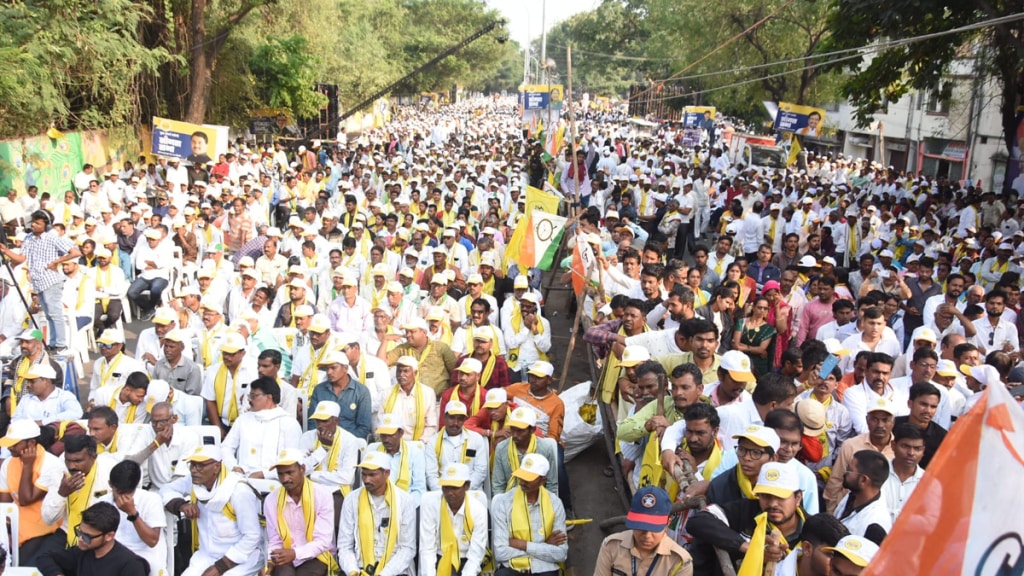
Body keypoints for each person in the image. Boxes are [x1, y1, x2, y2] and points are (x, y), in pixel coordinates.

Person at [159, 445, 264, 576]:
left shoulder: (239, 491)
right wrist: (182, 505)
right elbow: (165, 490)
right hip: (206, 555)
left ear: (216, 467)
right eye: (192, 465)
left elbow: (252, 537)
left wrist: (220, 567)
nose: (194, 470)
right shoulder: (194, 481)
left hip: (242, 558)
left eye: (200, 466)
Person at [687, 461, 806, 575]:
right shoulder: (745, 511)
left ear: (798, 498)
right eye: (765, 496)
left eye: (781, 497)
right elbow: (699, 520)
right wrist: (749, 547)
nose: (773, 504)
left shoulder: (812, 530)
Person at [0, 209, 82, 354]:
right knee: (49, 314)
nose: (34, 225)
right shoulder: (29, 238)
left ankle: (60, 344)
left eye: (38, 223)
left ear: (46, 226)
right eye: (33, 222)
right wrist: (6, 251)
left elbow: (75, 252)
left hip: (51, 280)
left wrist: (56, 261)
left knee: (54, 312)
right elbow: (21, 259)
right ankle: (52, 343)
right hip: (38, 282)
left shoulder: (52, 238)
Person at [337, 451, 417, 576]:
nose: (366, 480)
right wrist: (353, 571)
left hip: (394, 569)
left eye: (372, 475)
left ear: (387, 473)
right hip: (360, 567)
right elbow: (344, 546)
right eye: (364, 475)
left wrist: (384, 574)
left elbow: (407, 548)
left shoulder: (405, 500)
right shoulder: (351, 499)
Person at [0, 420, 66, 565]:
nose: (10, 447)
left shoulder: (51, 465)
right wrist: (7, 533)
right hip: (17, 531)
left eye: (15, 444)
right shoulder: (8, 463)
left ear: (31, 444)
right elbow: (4, 505)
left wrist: (28, 466)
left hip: (46, 531)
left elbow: (25, 499)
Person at [491, 453, 568, 574]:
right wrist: (544, 546)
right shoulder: (504, 502)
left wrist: (521, 544)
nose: (522, 481)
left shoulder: (555, 503)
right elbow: (500, 552)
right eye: (521, 476)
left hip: (544, 567)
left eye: (529, 478)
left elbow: (561, 553)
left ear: (543, 481)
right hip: (513, 567)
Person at [263, 449, 336, 576]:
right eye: (281, 474)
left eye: (290, 472)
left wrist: (295, 553)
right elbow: (274, 540)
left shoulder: (322, 495)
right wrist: (270, 562)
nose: (285, 479)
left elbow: (323, 541)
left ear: (302, 469)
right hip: (285, 555)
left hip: (317, 555)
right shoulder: (271, 500)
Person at [595, 486, 694, 576]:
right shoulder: (611, 546)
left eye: (654, 529)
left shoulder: (681, 562)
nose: (647, 535)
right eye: (641, 527)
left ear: (667, 523)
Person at [37, 501, 150, 576]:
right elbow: (45, 558)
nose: (80, 539)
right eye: (79, 532)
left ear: (109, 536)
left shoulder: (131, 565)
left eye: (87, 536)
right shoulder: (82, 551)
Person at [221, 376, 302, 479]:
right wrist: (234, 466)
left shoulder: (288, 423)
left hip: (275, 479)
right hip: (242, 477)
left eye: (254, 396)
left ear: (269, 397)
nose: (249, 399)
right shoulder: (243, 419)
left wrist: (264, 474)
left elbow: (293, 460)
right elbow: (226, 447)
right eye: (250, 395)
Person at [418, 463, 490, 576]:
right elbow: (427, 549)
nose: (449, 493)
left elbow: (476, 554)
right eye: (445, 487)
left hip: (467, 559)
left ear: (467, 486)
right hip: (441, 557)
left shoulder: (478, 510)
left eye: (455, 488)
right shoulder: (431, 506)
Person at [104, 460, 167, 576]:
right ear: (110, 484)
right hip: (112, 555)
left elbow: (152, 541)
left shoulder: (152, 499)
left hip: (145, 556)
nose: (124, 497)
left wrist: (132, 513)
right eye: (120, 492)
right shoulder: (102, 502)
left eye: (129, 492)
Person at [491, 407, 558, 496]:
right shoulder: (502, 448)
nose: (514, 435)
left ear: (532, 430)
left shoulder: (545, 448)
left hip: (538, 499)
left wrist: (547, 505)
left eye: (520, 431)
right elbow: (498, 485)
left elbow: (551, 484)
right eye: (512, 429)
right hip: (509, 499)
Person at [425, 400, 489, 492]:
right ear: (444, 417)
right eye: (452, 418)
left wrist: (463, 491)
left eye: (460, 419)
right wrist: (446, 492)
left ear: (464, 420)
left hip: (470, 490)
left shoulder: (476, 439)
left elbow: (480, 471)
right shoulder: (433, 442)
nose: (455, 423)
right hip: (441, 492)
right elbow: (431, 475)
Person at [308, 349, 372, 438]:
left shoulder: (361, 391)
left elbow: (363, 428)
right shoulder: (319, 390)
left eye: (333, 368)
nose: (329, 372)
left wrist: (344, 442)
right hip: (321, 441)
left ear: (345, 368)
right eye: (327, 369)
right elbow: (312, 423)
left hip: (351, 442)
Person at [832, 450, 892, 541]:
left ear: (863, 480)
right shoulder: (853, 495)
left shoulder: (875, 522)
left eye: (849, 470)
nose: (845, 473)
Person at [893, 382, 946, 468]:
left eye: (933, 407)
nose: (928, 410)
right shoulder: (892, 425)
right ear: (910, 404)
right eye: (923, 404)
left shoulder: (942, 438)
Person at [880, 423, 925, 524]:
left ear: (923, 451)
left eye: (917, 449)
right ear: (893, 446)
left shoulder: (929, 483)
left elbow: (931, 522)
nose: (911, 453)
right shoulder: (876, 474)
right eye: (905, 446)